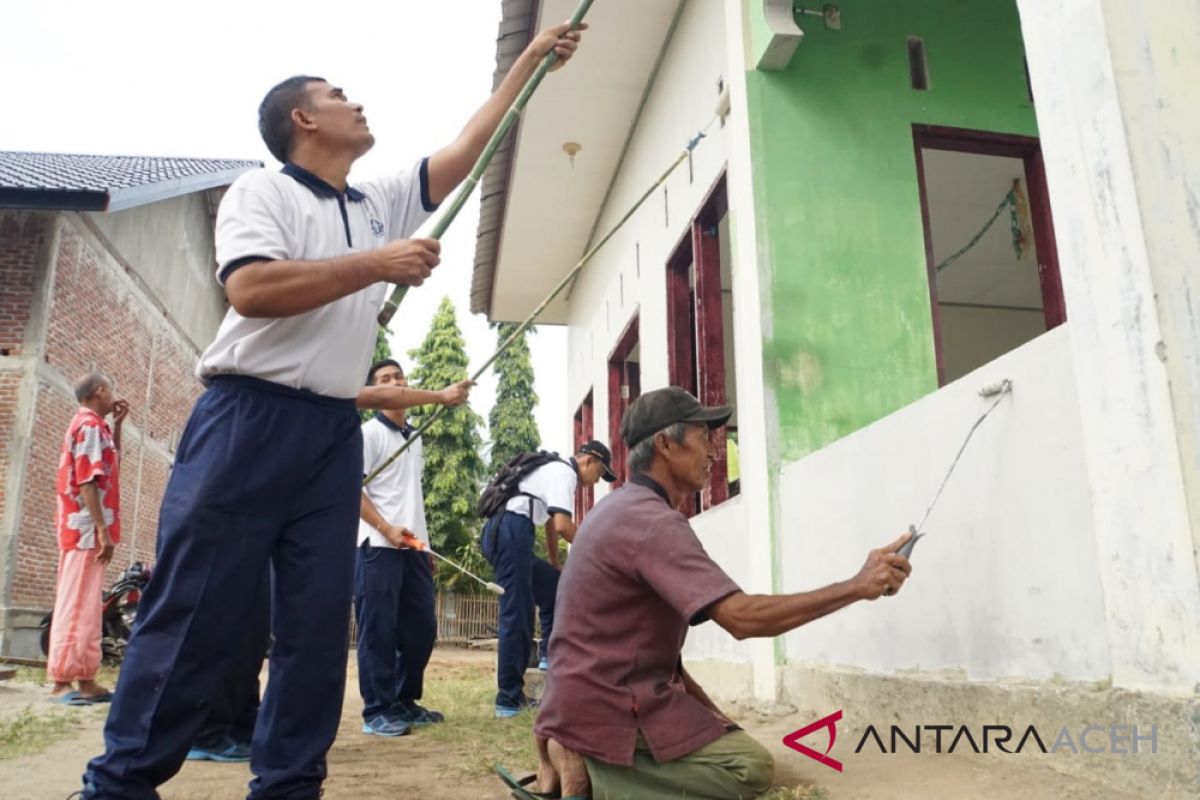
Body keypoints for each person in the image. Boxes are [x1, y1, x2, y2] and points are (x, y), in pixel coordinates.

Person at [77, 21, 585, 800]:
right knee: (198, 606)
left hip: (327, 435)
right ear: (303, 121)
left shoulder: (375, 200)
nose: (356, 103)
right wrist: (378, 265)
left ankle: (288, 784)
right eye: (337, 95)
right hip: (246, 418)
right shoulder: (263, 190)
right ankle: (119, 783)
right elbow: (251, 289)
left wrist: (527, 61)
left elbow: (464, 151)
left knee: (316, 627)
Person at [523, 387, 913, 800]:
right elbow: (743, 619)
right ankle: (592, 770)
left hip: (582, 699)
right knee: (750, 768)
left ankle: (576, 749)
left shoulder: (615, 510)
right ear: (666, 445)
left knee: (733, 744)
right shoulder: (653, 523)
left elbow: (661, 659)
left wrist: (718, 722)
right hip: (608, 705)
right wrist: (857, 585)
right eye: (703, 437)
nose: (713, 452)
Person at [354, 358, 460, 737]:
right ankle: (377, 709)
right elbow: (352, 489)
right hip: (378, 544)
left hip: (414, 547)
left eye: (398, 376)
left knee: (421, 628)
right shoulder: (369, 434)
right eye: (385, 379)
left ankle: (404, 700)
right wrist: (386, 527)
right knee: (378, 629)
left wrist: (424, 546)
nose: (395, 382)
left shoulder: (414, 438)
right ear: (375, 392)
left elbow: (410, 498)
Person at [480, 440, 615, 718]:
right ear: (588, 461)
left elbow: (553, 528)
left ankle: (547, 657)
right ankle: (508, 698)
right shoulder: (564, 473)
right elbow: (564, 525)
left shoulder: (552, 472)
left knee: (554, 586)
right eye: (600, 473)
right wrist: (598, 550)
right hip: (510, 530)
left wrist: (555, 564)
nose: (596, 481)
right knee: (517, 612)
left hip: (510, 531)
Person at [48, 373, 127, 706]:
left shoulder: (95, 426)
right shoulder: (90, 426)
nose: (113, 398)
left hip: (83, 528)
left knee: (85, 603)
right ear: (100, 391)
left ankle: (83, 679)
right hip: (85, 530)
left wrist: (119, 425)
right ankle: (65, 682)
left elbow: (109, 468)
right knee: (79, 602)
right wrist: (101, 530)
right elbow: (88, 481)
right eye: (110, 391)